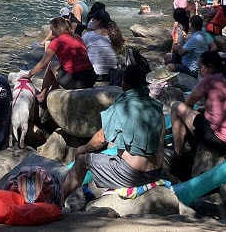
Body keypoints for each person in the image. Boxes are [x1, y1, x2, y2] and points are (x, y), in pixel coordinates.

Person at [60, 65, 165, 204]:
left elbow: (101, 138)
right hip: (156, 172)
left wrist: (82, 149)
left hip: (133, 175)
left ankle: (58, 202)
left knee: (82, 161)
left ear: (123, 84)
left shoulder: (122, 106)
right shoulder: (156, 106)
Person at [170, 51, 226, 158]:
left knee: (176, 107)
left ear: (210, 67)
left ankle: (178, 154)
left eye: (200, 67)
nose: (199, 71)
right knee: (200, 113)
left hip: (223, 140)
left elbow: (188, 102)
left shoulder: (210, 79)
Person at [28, 17, 96, 103]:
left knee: (52, 64)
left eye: (52, 30)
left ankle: (42, 95)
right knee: (61, 67)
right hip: (90, 78)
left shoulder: (57, 42)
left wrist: (29, 75)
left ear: (59, 28)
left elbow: (43, 64)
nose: (52, 34)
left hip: (74, 81)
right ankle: (52, 90)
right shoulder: (78, 38)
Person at [82, 13, 124, 83]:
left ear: (99, 21)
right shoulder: (115, 36)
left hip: (94, 74)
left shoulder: (88, 35)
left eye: (94, 20)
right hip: (112, 75)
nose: (92, 22)